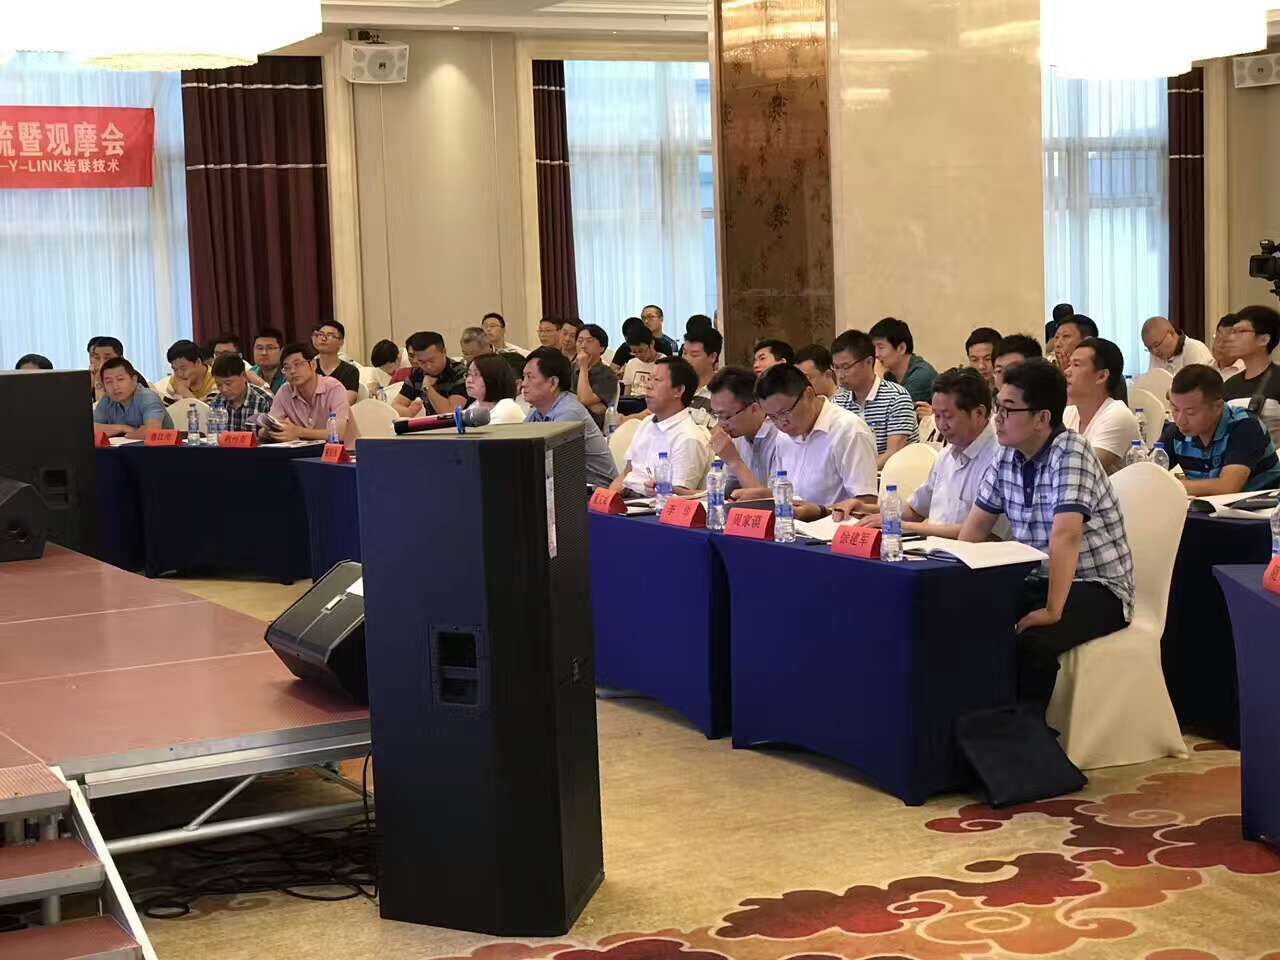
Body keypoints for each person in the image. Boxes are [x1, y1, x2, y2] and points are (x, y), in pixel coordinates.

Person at [960, 358, 1134, 712]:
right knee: (969, 619)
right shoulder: (1006, 454)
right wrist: (957, 583)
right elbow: (974, 528)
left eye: (1008, 410)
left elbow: (1066, 534)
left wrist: (1053, 610)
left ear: (1042, 418)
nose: (998, 418)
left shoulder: (1071, 452)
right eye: (997, 406)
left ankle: (1027, 734)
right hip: (1037, 578)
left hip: (1095, 585)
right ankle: (977, 726)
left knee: (1033, 641)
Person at [844, 367, 1003, 538]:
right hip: (934, 548)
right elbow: (915, 509)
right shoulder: (946, 455)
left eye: (948, 416)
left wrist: (903, 526)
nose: (941, 426)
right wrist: (867, 509)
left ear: (979, 413)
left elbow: (979, 533)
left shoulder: (998, 459)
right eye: (937, 416)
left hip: (973, 553)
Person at [755, 363, 877, 521]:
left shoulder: (849, 430)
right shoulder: (783, 436)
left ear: (808, 394)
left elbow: (867, 505)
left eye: (785, 412)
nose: (781, 423)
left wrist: (821, 512)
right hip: (791, 526)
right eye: (772, 417)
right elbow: (784, 490)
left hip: (834, 529)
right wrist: (760, 495)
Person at [1160, 364, 1280, 495]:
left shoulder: (1245, 426)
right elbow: (1147, 473)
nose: (1180, 420)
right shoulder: (1176, 431)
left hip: (1261, 505)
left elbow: (1227, 487)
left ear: (1217, 407)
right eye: (1175, 409)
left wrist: (1168, 484)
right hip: (1205, 506)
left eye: (1190, 412)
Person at [611, 357, 711, 497]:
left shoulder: (689, 437)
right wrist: (607, 499)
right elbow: (626, 473)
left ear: (678, 390)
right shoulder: (647, 422)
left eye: (657, 380)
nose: (648, 386)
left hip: (651, 504)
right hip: (626, 497)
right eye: (649, 379)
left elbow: (678, 497)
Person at [523, 348, 617, 486]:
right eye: (524, 377)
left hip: (597, 490)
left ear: (553, 383)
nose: (524, 384)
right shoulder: (536, 411)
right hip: (567, 487)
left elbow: (550, 464)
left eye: (530, 377)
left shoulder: (569, 412)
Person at [830, 329, 918, 468]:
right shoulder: (838, 402)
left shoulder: (896, 397)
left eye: (846, 367)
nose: (840, 375)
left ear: (869, 362)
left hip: (890, 476)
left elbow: (893, 453)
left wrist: (858, 474)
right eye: (836, 367)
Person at [1062, 337, 1141, 475]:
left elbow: (1082, 470)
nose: (1066, 372)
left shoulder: (1118, 414)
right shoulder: (1069, 412)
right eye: (1069, 364)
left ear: (1101, 376)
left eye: (1076, 365)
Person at [707, 366, 781, 498]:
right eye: (717, 416)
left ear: (754, 408)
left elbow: (776, 501)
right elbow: (725, 492)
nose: (722, 424)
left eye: (727, 416)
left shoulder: (781, 437)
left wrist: (734, 461)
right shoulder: (737, 437)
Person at [263, 342, 351, 442]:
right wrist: (271, 431)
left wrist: (298, 432)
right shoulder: (285, 391)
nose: (292, 371)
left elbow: (338, 434)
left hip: (332, 449)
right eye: (287, 368)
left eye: (297, 364)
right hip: (300, 449)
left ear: (313, 365)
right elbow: (271, 425)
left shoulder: (334, 388)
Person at [1224, 304, 1280, 448]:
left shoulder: (1277, 379)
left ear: (1264, 339)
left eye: (1241, 331)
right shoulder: (1229, 384)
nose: (1231, 338)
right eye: (1232, 332)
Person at [391, 331, 469, 417]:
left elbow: (451, 413)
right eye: (422, 362)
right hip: (431, 424)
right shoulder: (418, 373)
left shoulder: (460, 372)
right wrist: (409, 412)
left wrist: (428, 388)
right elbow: (395, 407)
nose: (428, 366)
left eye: (432, 360)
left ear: (444, 352)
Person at [93, 357, 173, 438]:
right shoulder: (107, 399)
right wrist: (122, 428)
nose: (115, 387)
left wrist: (115, 431)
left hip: (161, 446)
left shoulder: (148, 397)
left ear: (134, 379)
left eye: (120, 379)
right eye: (108, 382)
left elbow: (152, 432)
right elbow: (91, 428)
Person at [868, 317, 938, 407]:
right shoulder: (889, 375)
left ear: (901, 348)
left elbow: (896, 409)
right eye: (873, 348)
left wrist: (878, 379)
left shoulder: (921, 375)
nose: (876, 354)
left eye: (881, 347)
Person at [209, 354, 275, 432]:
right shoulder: (217, 401)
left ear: (244, 376)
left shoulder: (264, 401)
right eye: (219, 384)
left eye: (228, 383)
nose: (224, 389)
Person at [574, 323, 619, 429]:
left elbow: (585, 399)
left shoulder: (607, 374)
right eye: (580, 341)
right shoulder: (568, 368)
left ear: (602, 347)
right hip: (564, 421)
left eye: (589, 341)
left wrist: (583, 367)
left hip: (589, 427)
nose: (583, 346)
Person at [465, 354, 526, 424]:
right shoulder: (474, 406)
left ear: (494, 378)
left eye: (476, 374)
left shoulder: (507, 408)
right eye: (469, 374)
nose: (469, 380)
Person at [1141, 316, 1213, 375]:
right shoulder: (1155, 354)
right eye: (1149, 348)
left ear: (1171, 334)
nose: (1154, 351)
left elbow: (1198, 385)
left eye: (1157, 345)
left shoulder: (1194, 349)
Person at [311, 321, 361, 405]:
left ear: (341, 342)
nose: (323, 338)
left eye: (330, 335)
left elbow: (346, 402)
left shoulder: (350, 371)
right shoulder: (308, 368)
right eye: (321, 334)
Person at [155, 340, 218, 405]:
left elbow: (211, 410)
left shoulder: (216, 379)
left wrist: (184, 392)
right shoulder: (174, 380)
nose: (179, 374)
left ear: (198, 362)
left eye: (183, 368)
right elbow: (168, 409)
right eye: (175, 369)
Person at [682, 326, 722, 418]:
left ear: (712, 357)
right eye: (684, 353)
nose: (686, 359)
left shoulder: (721, 393)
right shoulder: (676, 387)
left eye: (694, 355)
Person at [620, 325, 660, 401]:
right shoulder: (631, 363)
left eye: (641, 351)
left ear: (652, 343)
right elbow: (627, 393)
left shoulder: (664, 364)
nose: (638, 355)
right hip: (633, 403)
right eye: (634, 352)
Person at [87, 335, 126, 401]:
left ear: (121, 359)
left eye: (108, 358)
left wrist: (99, 384)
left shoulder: (130, 378)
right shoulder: (91, 376)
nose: (102, 364)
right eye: (97, 358)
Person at [249, 328, 286, 393]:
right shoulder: (249, 375)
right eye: (260, 348)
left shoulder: (289, 374)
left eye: (270, 348)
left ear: (281, 351)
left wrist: (261, 384)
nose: (264, 353)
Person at [1210, 314, 1244, 378]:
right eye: (1217, 338)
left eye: (1226, 341)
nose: (1219, 345)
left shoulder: (1246, 372)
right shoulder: (1208, 368)